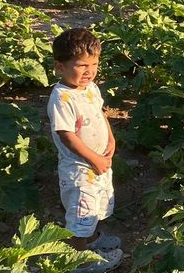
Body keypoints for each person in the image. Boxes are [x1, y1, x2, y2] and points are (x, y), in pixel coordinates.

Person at [46, 28, 122, 272]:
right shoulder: (61, 97)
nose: (89, 71)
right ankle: (79, 261)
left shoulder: (90, 88)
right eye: (81, 66)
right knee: (81, 215)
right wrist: (93, 158)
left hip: (98, 164)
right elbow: (66, 135)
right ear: (60, 67)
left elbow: (100, 113)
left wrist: (110, 138)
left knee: (94, 208)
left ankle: (91, 240)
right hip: (79, 170)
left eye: (94, 64)